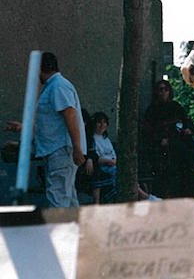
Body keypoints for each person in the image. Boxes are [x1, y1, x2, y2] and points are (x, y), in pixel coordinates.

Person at [5, 52, 87, 207]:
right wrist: (24, 128)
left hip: (61, 152)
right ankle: (77, 230)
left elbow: (70, 115)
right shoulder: (54, 87)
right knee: (67, 199)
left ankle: (58, 230)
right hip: (59, 152)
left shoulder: (58, 87)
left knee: (57, 198)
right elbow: (50, 125)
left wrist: (77, 147)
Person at [141, 79, 194, 198]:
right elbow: (149, 130)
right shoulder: (152, 110)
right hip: (161, 144)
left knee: (191, 154)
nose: (163, 92)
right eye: (160, 90)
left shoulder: (176, 106)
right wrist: (161, 138)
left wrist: (188, 129)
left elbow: (186, 121)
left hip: (178, 140)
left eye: (166, 89)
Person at [89, 111, 117, 204]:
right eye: (99, 122)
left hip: (112, 165)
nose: (102, 125)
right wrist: (109, 161)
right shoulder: (92, 138)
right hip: (102, 167)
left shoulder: (106, 138)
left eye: (104, 122)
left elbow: (113, 155)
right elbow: (96, 158)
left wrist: (113, 161)